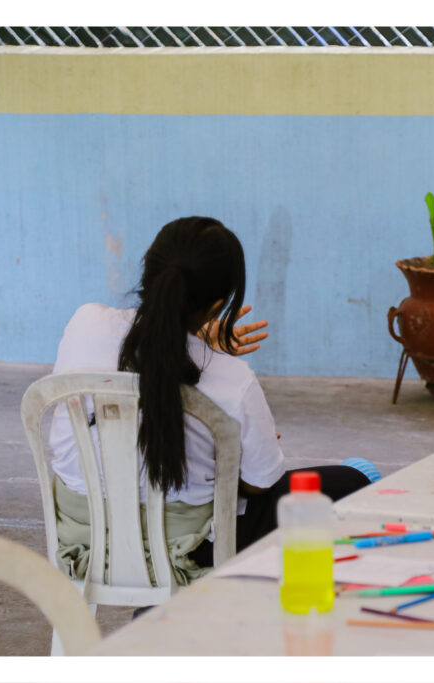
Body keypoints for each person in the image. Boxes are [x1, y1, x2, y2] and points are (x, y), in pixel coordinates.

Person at [48, 216, 373, 586]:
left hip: (84, 538)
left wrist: (197, 341)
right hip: (184, 551)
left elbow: (148, 356)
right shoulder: (232, 380)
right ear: (217, 306)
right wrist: (230, 454)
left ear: (149, 270)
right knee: (354, 481)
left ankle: (152, 616)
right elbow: (260, 484)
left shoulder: (84, 324)